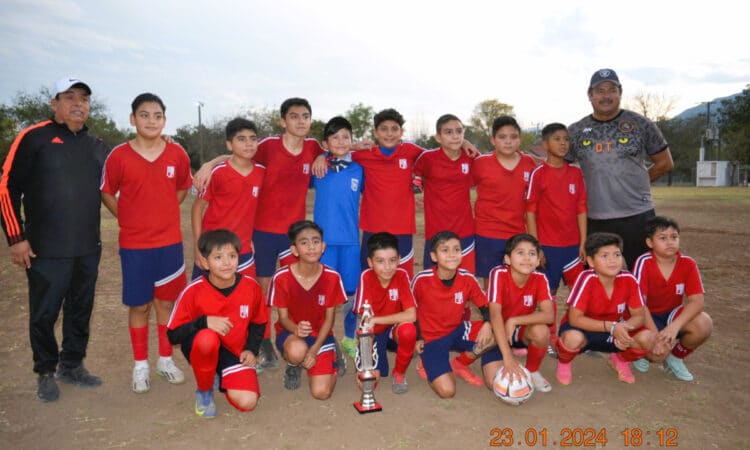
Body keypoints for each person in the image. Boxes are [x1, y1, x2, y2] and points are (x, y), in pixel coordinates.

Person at [195, 98, 326, 370]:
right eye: (294, 116)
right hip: (264, 231)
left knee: (296, 287)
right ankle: (264, 342)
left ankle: (295, 341)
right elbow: (239, 153)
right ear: (282, 121)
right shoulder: (266, 146)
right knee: (264, 290)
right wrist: (211, 162)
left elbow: (334, 150)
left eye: (305, 116)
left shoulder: (313, 146)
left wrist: (324, 155)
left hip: (294, 233)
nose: (300, 121)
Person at [0, 77, 105, 402]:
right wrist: (16, 238)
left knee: (80, 309)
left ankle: (71, 365)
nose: (78, 104)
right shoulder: (33, 138)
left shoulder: (97, 145)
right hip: (46, 249)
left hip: (88, 248)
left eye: (84, 98)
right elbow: (6, 188)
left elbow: (125, 177)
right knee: (44, 313)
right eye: (69, 97)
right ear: (54, 104)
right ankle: (45, 371)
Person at [101, 93, 192, 393]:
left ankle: (165, 360)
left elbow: (181, 188)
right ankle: (140, 365)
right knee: (139, 305)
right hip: (135, 245)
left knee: (166, 303)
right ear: (132, 119)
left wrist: (163, 212)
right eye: (144, 115)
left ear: (165, 120)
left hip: (169, 244)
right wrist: (127, 217)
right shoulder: (118, 156)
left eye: (157, 116)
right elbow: (106, 191)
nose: (151, 121)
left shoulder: (177, 153)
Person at [567, 68, 674, 270]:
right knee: (596, 278)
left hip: (638, 215)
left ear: (620, 92)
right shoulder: (576, 131)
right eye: (600, 91)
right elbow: (557, 166)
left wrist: (638, 184)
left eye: (611, 90)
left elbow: (665, 163)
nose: (606, 96)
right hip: (594, 218)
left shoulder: (641, 124)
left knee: (644, 274)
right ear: (590, 95)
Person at [411, 231, 524, 398]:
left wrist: (487, 323)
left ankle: (460, 362)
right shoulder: (422, 279)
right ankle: (427, 363)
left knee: (499, 331)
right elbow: (410, 310)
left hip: (457, 330)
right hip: (431, 339)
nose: (452, 255)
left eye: (456, 249)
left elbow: (488, 307)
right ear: (433, 256)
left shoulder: (467, 279)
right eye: (445, 250)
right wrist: (418, 337)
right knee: (447, 391)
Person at [167, 229, 267, 418]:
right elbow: (173, 335)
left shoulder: (251, 286)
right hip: (203, 347)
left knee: (248, 402)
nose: (227, 263)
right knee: (207, 338)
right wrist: (203, 322)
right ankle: (204, 392)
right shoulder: (193, 291)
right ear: (205, 262)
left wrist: (251, 349)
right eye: (218, 257)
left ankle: (220, 375)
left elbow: (258, 322)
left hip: (234, 352)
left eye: (232, 256)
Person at [556, 232, 655, 385]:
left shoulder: (629, 279)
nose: (612, 261)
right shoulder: (586, 279)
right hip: (585, 328)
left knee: (648, 338)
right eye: (604, 256)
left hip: (615, 329)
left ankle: (620, 360)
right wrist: (612, 327)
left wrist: (624, 329)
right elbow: (575, 319)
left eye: (617, 255)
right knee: (572, 339)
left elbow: (639, 316)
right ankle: (564, 362)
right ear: (591, 261)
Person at [526, 123, 587, 354]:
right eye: (557, 139)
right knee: (548, 294)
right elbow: (530, 211)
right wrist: (535, 247)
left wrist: (583, 241)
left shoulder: (575, 173)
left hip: (572, 247)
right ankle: (549, 339)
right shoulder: (538, 174)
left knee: (579, 292)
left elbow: (581, 208)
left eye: (566, 139)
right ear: (545, 144)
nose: (563, 143)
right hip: (547, 247)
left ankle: (569, 331)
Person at [267, 220, 345, 399]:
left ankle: (332, 356)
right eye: (304, 242)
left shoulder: (332, 277)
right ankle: (294, 365)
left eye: (316, 241)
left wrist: (315, 349)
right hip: (291, 335)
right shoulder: (282, 277)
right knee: (296, 352)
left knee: (321, 393)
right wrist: (296, 329)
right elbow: (283, 318)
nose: (311, 247)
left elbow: (329, 319)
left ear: (323, 246)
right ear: (294, 250)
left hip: (321, 336)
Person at [631, 216, 712, 381]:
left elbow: (697, 301)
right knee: (655, 355)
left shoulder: (688, 263)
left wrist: (674, 327)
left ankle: (675, 358)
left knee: (704, 323)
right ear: (650, 243)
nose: (670, 242)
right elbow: (640, 305)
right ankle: (639, 354)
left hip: (670, 315)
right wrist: (657, 338)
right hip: (645, 317)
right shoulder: (644, 262)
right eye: (663, 238)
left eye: (674, 237)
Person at [311, 116, 363, 363]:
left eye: (346, 137)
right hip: (324, 245)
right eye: (335, 137)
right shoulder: (319, 168)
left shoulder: (359, 169)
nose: (341, 142)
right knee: (325, 295)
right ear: (325, 143)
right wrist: (319, 157)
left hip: (351, 242)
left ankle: (350, 338)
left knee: (352, 294)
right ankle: (327, 340)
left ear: (352, 141)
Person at [350, 108, 423, 278]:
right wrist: (353, 146)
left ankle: (403, 304)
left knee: (403, 275)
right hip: (372, 227)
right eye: (384, 129)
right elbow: (334, 153)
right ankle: (365, 304)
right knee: (369, 274)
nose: (389, 134)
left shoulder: (411, 151)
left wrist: (463, 143)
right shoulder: (363, 155)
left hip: (402, 227)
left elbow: (436, 156)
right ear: (375, 132)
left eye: (394, 129)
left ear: (401, 131)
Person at [191, 117, 265, 280]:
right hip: (212, 248)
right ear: (229, 145)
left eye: (253, 139)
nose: (248, 144)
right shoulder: (218, 173)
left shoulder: (262, 172)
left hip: (243, 249)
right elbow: (197, 209)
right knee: (206, 301)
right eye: (241, 139)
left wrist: (250, 236)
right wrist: (197, 246)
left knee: (244, 299)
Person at [472, 116, 538, 287]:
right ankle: (491, 311)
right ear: (493, 140)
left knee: (516, 278)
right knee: (491, 279)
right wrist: (464, 141)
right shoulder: (480, 163)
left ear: (520, 139)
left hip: (517, 232)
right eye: (502, 137)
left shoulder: (529, 162)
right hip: (488, 232)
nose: (508, 142)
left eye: (513, 137)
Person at [487, 233, 555, 393]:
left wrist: (514, 321)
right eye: (520, 253)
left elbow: (549, 315)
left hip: (520, 330)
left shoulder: (540, 278)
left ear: (538, 260)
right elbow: (495, 315)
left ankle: (532, 370)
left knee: (541, 331)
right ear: (507, 259)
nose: (527, 258)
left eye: (532, 253)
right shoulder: (498, 274)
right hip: (497, 330)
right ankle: (506, 352)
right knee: (493, 384)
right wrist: (508, 358)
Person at [353, 232, 417, 394]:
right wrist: (372, 323)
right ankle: (371, 356)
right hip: (373, 333)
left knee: (408, 330)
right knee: (368, 383)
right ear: (370, 262)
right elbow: (366, 319)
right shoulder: (366, 277)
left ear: (399, 260)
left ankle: (400, 373)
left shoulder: (402, 275)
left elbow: (411, 315)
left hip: (392, 330)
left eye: (392, 261)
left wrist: (377, 320)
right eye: (380, 261)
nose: (387, 267)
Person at [413, 114, 476, 273]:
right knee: (434, 282)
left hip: (465, 231)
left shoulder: (470, 158)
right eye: (448, 132)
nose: (455, 136)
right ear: (438, 137)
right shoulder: (427, 158)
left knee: (465, 281)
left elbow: (487, 169)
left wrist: (467, 144)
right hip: (436, 232)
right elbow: (412, 179)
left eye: (459, 131)